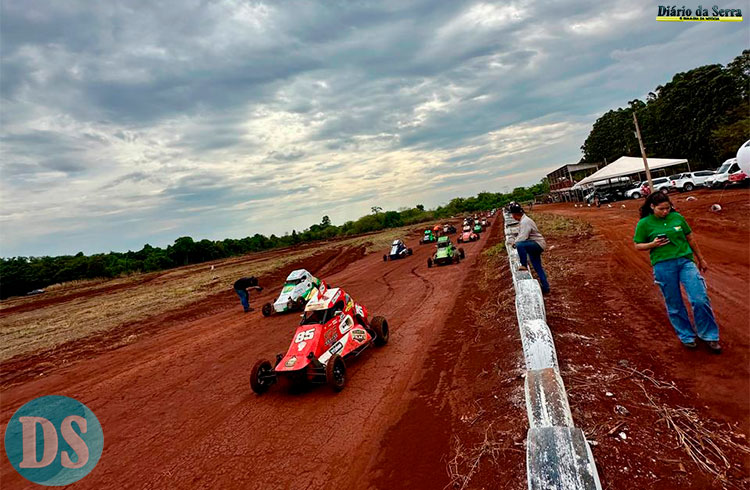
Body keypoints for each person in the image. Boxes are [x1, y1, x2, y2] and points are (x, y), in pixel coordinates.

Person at [633, 192, 721, 353]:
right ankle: (686, 335)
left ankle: (709, 335)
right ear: (652, 207)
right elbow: (638, 245)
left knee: (699, 298)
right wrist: (652, 244)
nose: (665, 211)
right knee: (674, 303)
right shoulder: (644, 223)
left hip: (685, 262)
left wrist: (701, 259)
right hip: (663, 265)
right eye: (661, 209)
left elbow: (690, 238)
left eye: (668, 208)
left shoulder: (677, 217)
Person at [509, 203, 550, 295]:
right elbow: (522, 235)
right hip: (534, 244)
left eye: (512, 215)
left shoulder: (525, 222)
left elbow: (523, 237)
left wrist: (515, 243)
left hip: (537, 244)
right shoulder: (524, 220)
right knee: (537, 267)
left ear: (515, 214)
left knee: (520, 245)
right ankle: (546, 287)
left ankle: (523, 264)